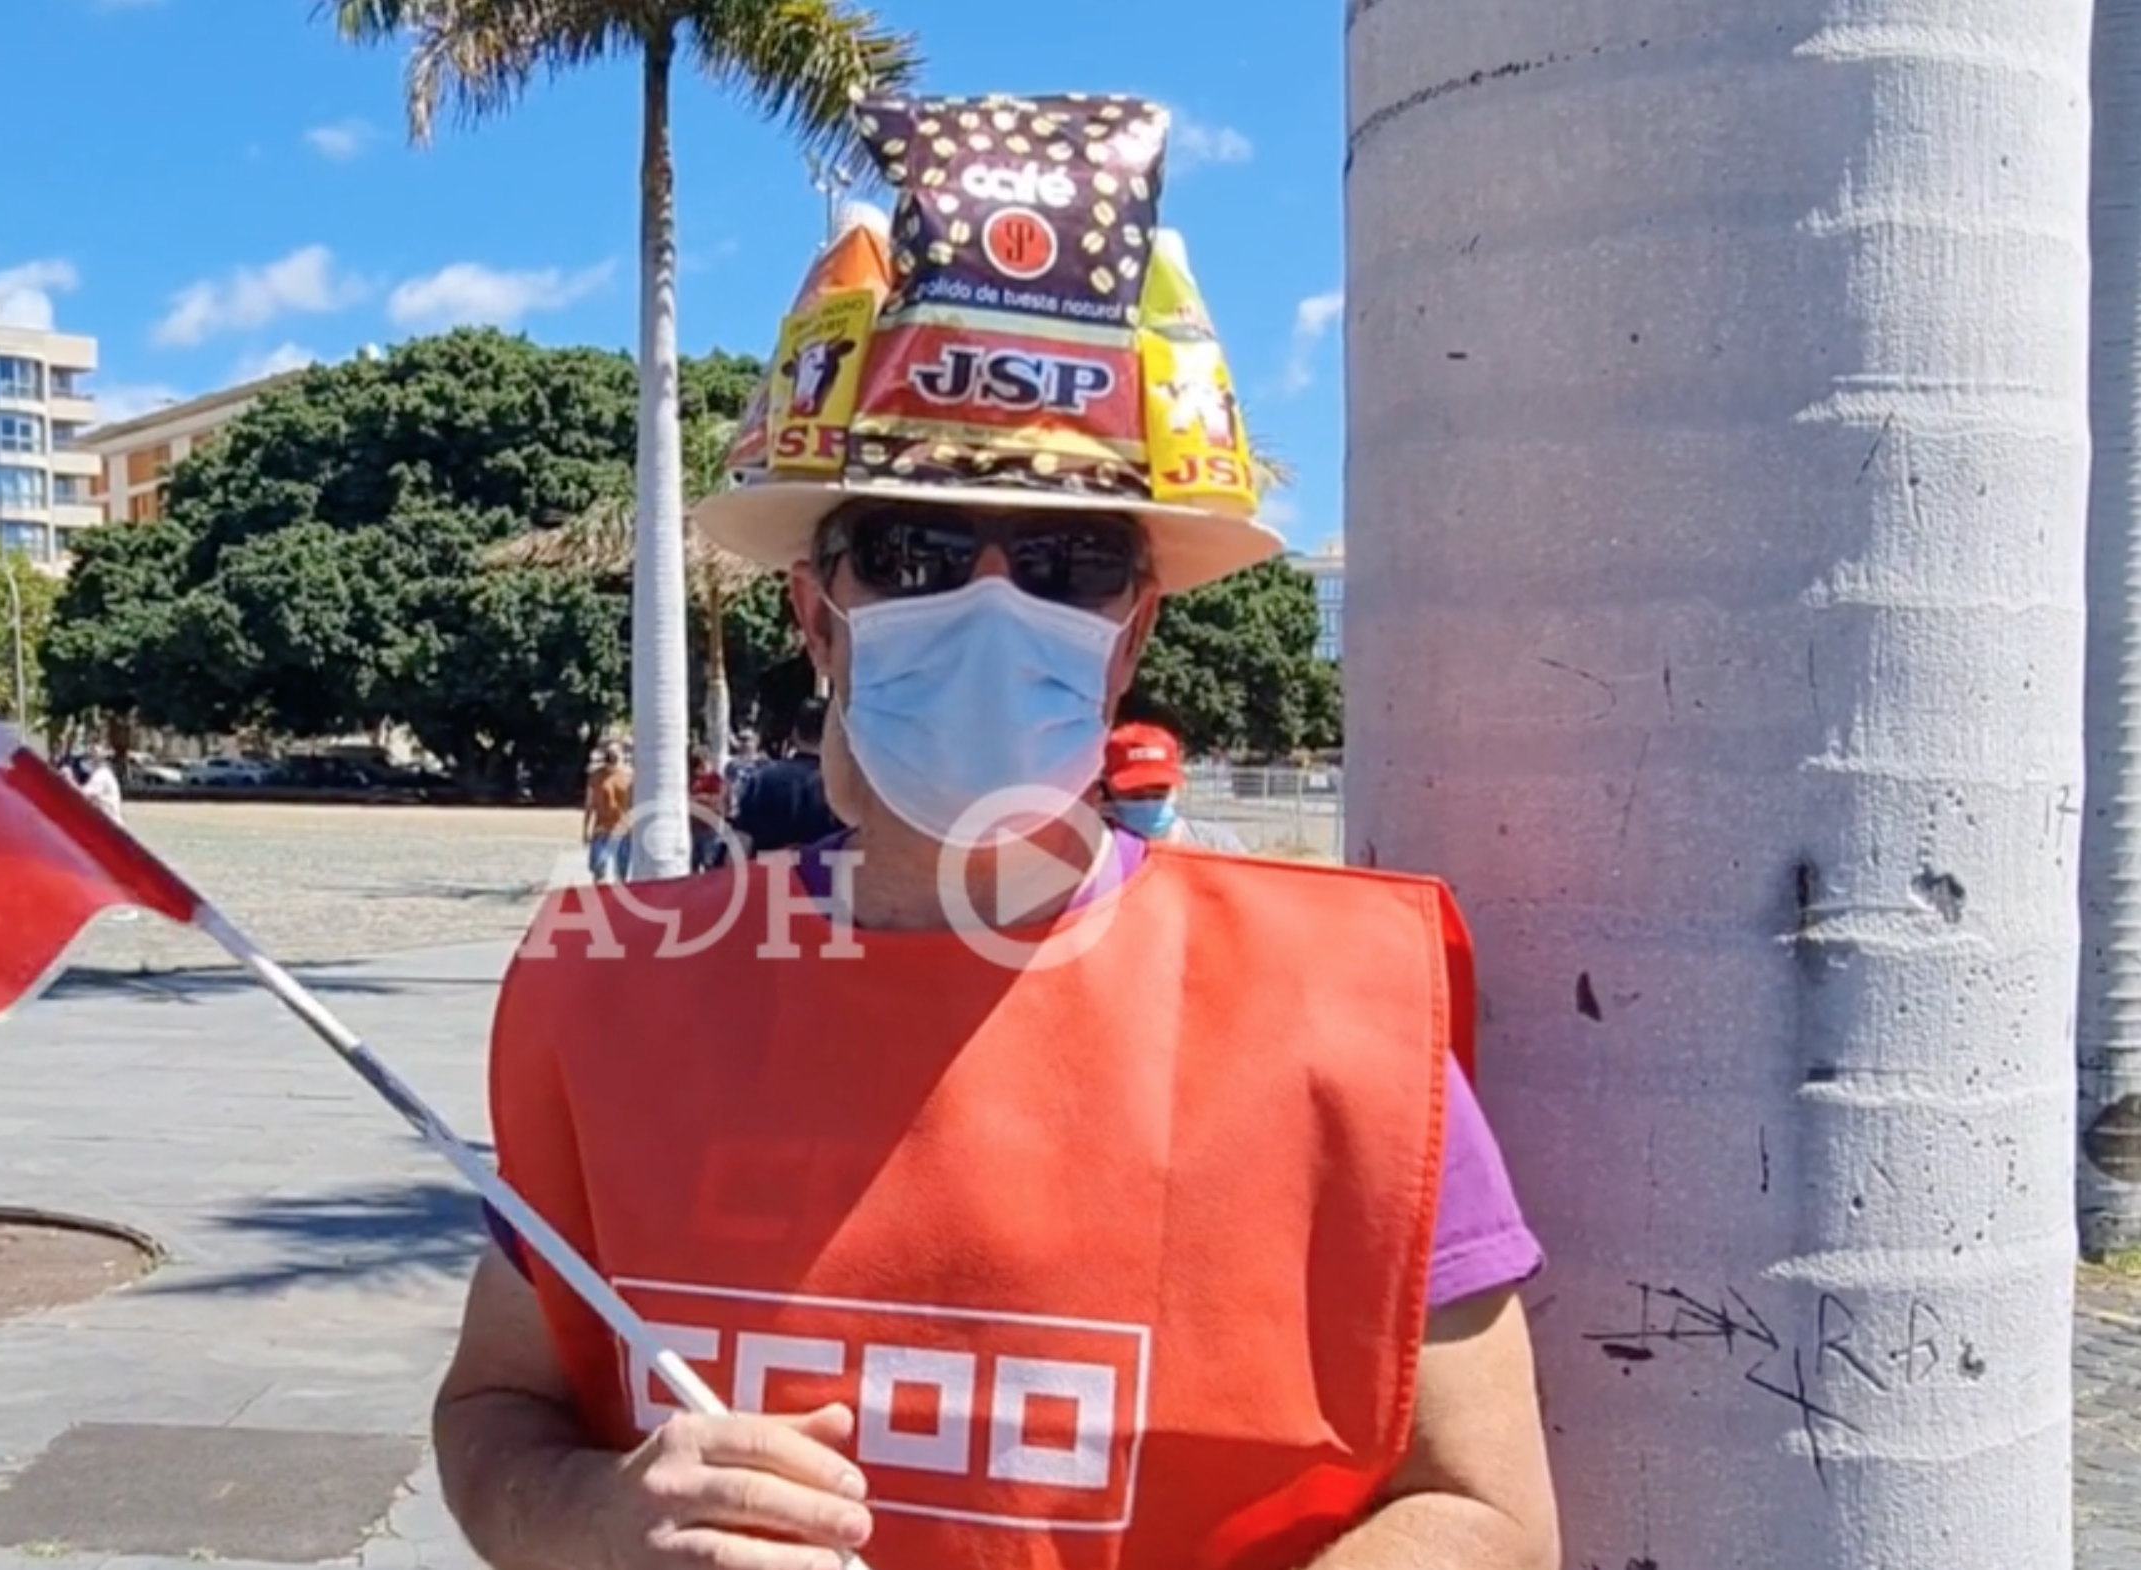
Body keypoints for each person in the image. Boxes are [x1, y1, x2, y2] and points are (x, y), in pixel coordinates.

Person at [434, 90, 1557, 1570]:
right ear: (815, 614)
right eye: (909, 547)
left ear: (1133, 623)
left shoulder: (1340, 1022)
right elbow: (494, 1405)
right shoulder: (614, 1004)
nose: (989, 604)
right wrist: (590, 1515)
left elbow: (1486, 1510)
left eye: (1069, 559)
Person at [1098, 720, 1245, 851]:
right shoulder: (1095, 855)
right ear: (1108, 788)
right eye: (1135, 794)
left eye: (1160, 790)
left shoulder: (1217, 846)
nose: (1148, 803)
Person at [723, 697, 842, 857]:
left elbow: (741, 844)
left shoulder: (761, 779)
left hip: (770, 878)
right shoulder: (844, 787)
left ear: (795, 733)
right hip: (829, 879)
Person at [581, 743, 633, 883]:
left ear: (621, 755)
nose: (612, 756)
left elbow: (635, 804)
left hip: (623, 830)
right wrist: (585, 829)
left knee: (621, 874)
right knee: (598, 869)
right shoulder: (596, 777)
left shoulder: (629, 776)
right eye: (609, 752)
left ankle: (616, 903)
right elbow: (589, 804)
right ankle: (601, 898)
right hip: (601, 829)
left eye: (615, 753)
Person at [688, 746, 727, 870]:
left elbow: (718, 800)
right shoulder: (693, 780)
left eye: (701, 765)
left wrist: (697, 798)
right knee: (694, 862)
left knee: (709, 861)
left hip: (710, 827)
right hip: (694, 827)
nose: (698, 770)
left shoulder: (716, 780)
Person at [76, 749, 123, 825]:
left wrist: (69, 780)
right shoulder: (105, 773)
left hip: (109, 824)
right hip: (109, 821)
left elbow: (82, 794)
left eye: (91, 758)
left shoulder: (101, 775)